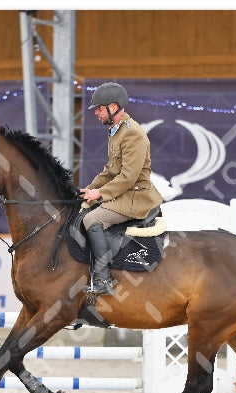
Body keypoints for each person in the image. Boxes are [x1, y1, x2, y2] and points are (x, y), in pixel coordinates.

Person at [79, 82, 164, 295]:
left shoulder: (132, 133)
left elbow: (128, 177)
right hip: (124, 193)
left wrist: (100, 193)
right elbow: (110, 170)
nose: (96, 113)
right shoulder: (115, 131)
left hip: (136, 197)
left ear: (113, 107)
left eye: (99, 108)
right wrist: (89, 189)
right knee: (82, 210)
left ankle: (103, 278)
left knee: (92, 220)